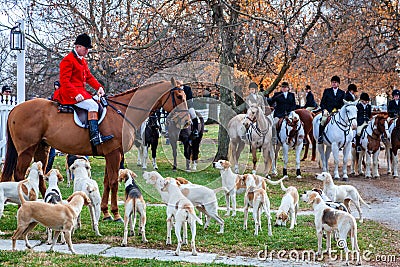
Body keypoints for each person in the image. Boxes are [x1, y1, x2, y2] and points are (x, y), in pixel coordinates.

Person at [53, 33, 113, 146]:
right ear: (77, 47)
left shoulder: (82, 60)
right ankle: (95, 137)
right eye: (85, 48)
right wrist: (75, 94)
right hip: (69, 93)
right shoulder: (68, 60)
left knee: (98, 101)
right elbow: (65, 81)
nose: (87, 51)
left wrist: (99, 87)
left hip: (81, 92)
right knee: (93, 106)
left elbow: (89, 77)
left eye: (88, 49)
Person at [317, 75, 346, 144]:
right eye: (332, 82)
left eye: (335, 82)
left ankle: (343, 138)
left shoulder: (342, 93)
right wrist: (324, 110)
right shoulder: (327, 91)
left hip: (338, 112)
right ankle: (320, 136)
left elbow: (343, 103)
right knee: (323, 120)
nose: (334, 83)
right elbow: (322, 102)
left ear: (338, 84)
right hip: (328, 111)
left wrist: (340, 109)